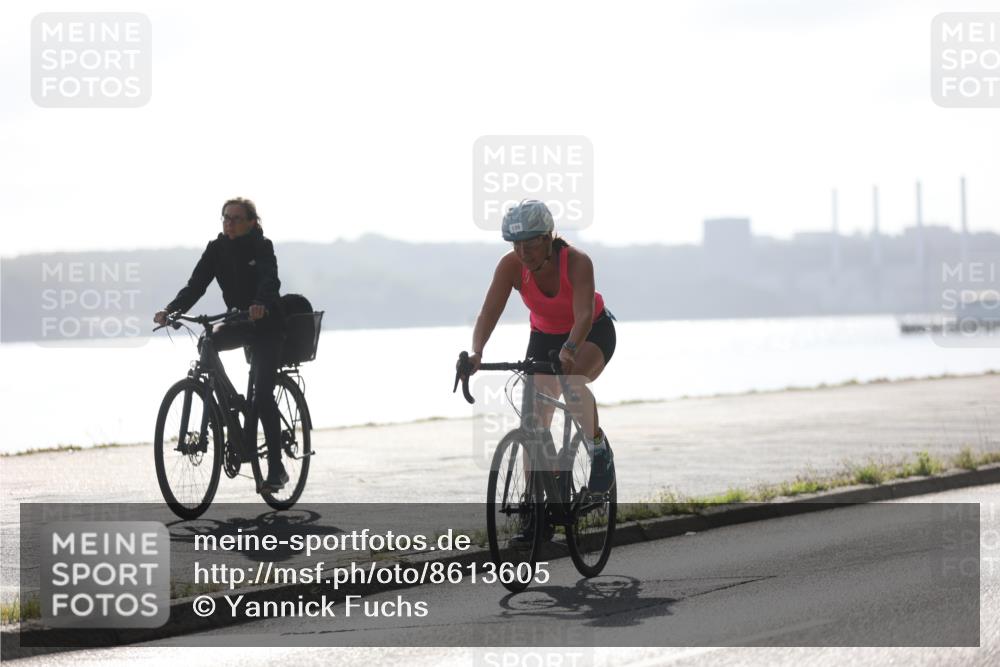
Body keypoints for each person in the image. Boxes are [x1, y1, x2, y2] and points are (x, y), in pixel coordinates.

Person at [467, 199, 617, 494]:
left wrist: (570, 349)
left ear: (548, 238)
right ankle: (534, 508)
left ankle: (599, 450)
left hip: (590, 332)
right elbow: (488, 312)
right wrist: (477, 352)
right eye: (516, 245)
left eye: (531, 244)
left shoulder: (577, 262)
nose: (523, 253)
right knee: (533, 424)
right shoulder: (511, 266)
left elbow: (584, 316)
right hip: (545, 336)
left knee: (572, 383)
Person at [153, 197, 289, 491]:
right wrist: (172, 309)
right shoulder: (217, 249)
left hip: (267, 325)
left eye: (236, 218)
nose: (229, 222)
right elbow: (196, 285)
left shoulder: (262, 247)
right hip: (239, 321)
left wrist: (260, 303)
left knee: (263, 394)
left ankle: (276, 469)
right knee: (208, 339)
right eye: (225, 217)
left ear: (252, 222)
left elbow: (270, 280)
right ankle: (226, 407)